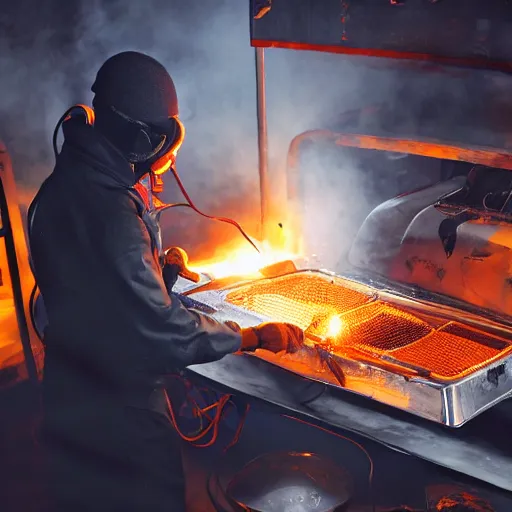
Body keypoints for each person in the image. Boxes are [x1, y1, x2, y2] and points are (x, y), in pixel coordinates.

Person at [28, 51, 303, 512]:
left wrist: (159, 268)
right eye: (163, 143)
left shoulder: (61, 184)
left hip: (64, 395)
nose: (167, 159)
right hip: (120, 411)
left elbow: (93, 283)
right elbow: (163, 331)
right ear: (140, 138)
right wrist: (253, 336)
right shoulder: (113, 211)